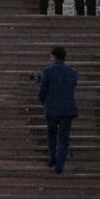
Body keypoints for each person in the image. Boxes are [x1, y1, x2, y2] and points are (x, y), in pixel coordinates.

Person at [38, 45, 78, 175]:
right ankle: (60, 164)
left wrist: (43, 100)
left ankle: (52, 158)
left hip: (52, 108)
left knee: (51, 134)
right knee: (64, 138)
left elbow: (42, 91)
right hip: (67, 109)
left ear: (53, 57)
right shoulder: (73, 72)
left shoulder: (47, 72)